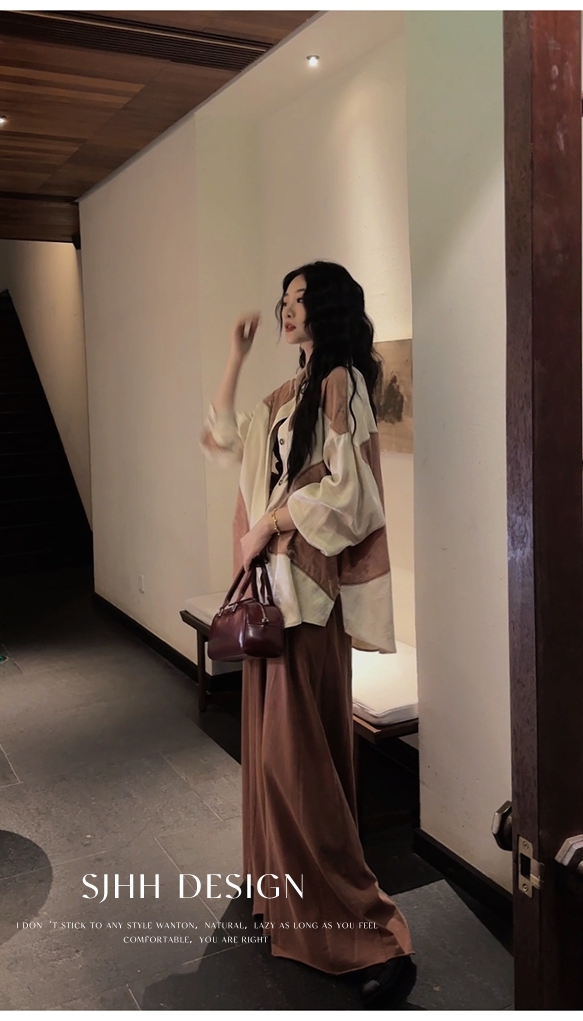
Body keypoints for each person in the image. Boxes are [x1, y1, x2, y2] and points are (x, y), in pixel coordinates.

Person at [200, 261, 417, 1009]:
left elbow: (351, 496)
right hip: (275, 598)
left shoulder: (341, 383)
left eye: (300, 299)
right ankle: (285, 892)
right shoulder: (291, 391)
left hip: (307, 600)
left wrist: (269, 522)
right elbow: (225, 441)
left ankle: (361, 928)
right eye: (284, 299)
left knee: (298, 765)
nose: (287, 309)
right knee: (275, 757)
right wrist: (234, 357)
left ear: (326, 307)